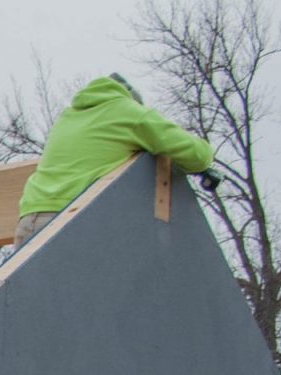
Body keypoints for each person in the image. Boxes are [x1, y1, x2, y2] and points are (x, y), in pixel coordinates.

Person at [16, 74, 215, 248]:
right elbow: (199, 156)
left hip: (29, 221)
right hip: (71, 220)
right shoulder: (129, 111)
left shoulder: (69, 116)